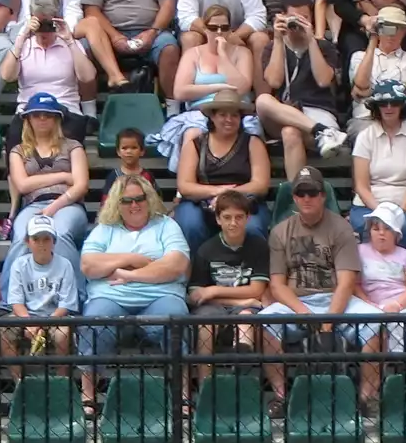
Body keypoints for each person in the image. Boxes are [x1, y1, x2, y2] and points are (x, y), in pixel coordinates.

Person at [77, 175, 190, 414]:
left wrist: (128, 274)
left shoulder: (166, 225)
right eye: (127, 201)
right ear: (117, 203)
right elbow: (89, 265)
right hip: (111, 297)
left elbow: (176, 265)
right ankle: (88, 396)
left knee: (176, 318)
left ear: (149, 199)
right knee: (94, 320)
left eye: (139, 199)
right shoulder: (105, 228)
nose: (134, 205)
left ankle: (183, 396)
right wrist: (132, 259)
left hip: (161, 296)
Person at [255, 164, 364, 412]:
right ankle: (281, 396)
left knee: (378, 324)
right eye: (301, 193)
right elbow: (277, 284)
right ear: (294, 197)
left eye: (312, 193)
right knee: (263, 324)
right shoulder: (281, 231)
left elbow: (346, 282)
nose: (307, 198)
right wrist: (302, 312)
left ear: (323, 195)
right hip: (296, 301)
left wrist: (326, 325)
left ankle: (368, 398)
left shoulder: (341, 227)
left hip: (336, 298)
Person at [1, 90, 90, 291]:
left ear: (57, 119)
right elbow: (22, 185)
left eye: (48, 115)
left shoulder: (74, 146)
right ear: (28, 119)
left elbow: (81, 185)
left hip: (69, 204)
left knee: (61, 232)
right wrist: (63, 176)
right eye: (36, 115)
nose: (42, 119)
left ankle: (77, 296)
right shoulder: (18, 150)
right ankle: (7, 301)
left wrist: (55, 206)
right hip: (33, 205)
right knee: (23, 235)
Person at [256, 0, 344, 180]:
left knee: (290, 133)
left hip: (317, 110)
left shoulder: (324, 47)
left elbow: (323, 80)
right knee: (263, 100)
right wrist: (279, 40)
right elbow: (274, 81)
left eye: (304, 18)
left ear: (312, 19)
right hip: (284, 113)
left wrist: (312, 40)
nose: (298, 23)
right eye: (293, 18)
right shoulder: (273, 47)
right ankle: (321, 131)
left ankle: (299, 196)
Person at [186, 188, 270, 378]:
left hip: (246, 310)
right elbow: (197, 296)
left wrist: (214, 290)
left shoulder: (258, 246)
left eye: (239, 217)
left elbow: (257, 289)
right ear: (218, 219)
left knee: (246, 319)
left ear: (248, 218)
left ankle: (241, 371)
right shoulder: (206, 250)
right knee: (205, 326)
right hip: (215, 310)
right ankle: (205, 384)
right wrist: (241, 301)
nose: (233, 223)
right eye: (227, 217)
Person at [174, 87, 273, 247]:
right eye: (222, 114)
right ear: (212, 116)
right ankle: (197, 269)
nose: (229, 119)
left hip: (244, 200)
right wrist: (217, 192)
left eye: (234, 115)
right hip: (201, 201)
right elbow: (185, 185)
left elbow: (260, 185)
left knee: (253, 226)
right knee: (190, 224)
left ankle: (254, 269)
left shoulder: (253, 142)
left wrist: (229, 195)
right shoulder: (195, 144)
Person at [347, 201, 406, 363]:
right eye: (376, 229)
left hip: (402, 304)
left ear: (397, 234)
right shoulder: (358, 252)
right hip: (369, 305)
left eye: (387, 229)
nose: (381, 234)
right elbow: (354, 284)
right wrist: (368, 303)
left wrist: (397, 305)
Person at [348, 79, 406, 251]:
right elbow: (361, 187)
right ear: (376, 107)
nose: (389, 107)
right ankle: (369, 277)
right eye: (383, 103)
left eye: (394, 103)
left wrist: (398, 212)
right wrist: (381, 214)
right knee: (371, 228)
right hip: (369, 205)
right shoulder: (365, 136)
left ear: (403, 106)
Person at [5, 0, 95, 139]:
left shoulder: (71, 45)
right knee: (15, 136)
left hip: (65, 108)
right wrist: (22, 37)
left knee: (70, 134)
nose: (44, 30)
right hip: (29, 110)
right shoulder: (24, 46)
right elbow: (7, 76)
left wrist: (69, 41)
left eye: (48, 23)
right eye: (40, 23)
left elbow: (87, 77)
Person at [1, 213, 77, 373]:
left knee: (63, 335)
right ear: (27, 242)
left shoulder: (65, 265)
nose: (41, 244)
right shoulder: (19, 264)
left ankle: (62, 380)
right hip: (25, 316)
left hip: (56, 316)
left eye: (46, 239)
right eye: (36, 239)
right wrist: (29, 323)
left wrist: (44, 324)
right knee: (4, 332)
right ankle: (18, 383)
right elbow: (16, 301)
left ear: (54, 241)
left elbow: (65, 305)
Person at [347, 5, 406, 130]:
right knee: (363, 133)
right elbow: (361, 84)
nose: (392, 34)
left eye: (398, 28)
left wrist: (372, 90)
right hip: (367, 118)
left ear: (405, 32)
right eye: (387, 27)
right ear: (379, 29)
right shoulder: (359, 56)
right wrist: (373, 38)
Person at [173, 5, 258, 103]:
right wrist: (217, 88)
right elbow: (179, 93)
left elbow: (242, 89)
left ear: (230, 30)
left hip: (234, 109)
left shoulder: (242, 53)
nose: (219, 32)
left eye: (224, 28)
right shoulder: (192, 54)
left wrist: (222, 55)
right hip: (200, 110)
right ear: (205, 29)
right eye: (213, 28)